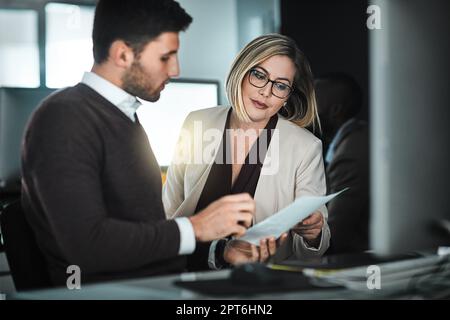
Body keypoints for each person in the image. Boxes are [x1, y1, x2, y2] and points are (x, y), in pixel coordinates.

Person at [21, 0, 255, 286]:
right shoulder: (63, 118)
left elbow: (147, 239)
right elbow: (87, 246)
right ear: (122, 54)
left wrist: (220, 252)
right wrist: (195, 227)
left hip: (156, 286)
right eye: (165, 57)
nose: (175, 70)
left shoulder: (124, 118)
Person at [163, 34, 330, 271]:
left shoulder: (305, 146)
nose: (266, 92)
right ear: (241, 71)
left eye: (280, 85)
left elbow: (312, 250)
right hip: (188, 274)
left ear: (287, 97)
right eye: (259, 75)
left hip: (262, 285)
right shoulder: (197, 122)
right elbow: (169, 211)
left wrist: (313, 233)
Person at [314, 73, 369, 254]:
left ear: (335, 111)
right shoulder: (356, 138)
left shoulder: (350, 153)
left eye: (313, 104)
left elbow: (334, 234)